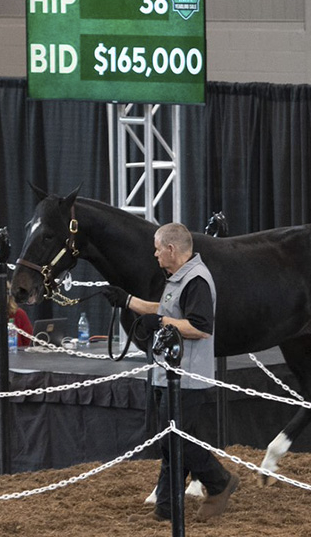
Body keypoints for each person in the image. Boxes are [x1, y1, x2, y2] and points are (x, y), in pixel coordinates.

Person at [102, 222, 238, 523]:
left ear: (171, 249)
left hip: (188, 377)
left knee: (175, 439)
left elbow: (201, 327)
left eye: (157, 248)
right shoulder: (179, 278)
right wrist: (126, 300)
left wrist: (161, 323)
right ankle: (165, 507)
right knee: (170, 440)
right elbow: (165, 310)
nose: (154, 254)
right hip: (172, 373)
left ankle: (218, 482)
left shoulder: (196, 280)